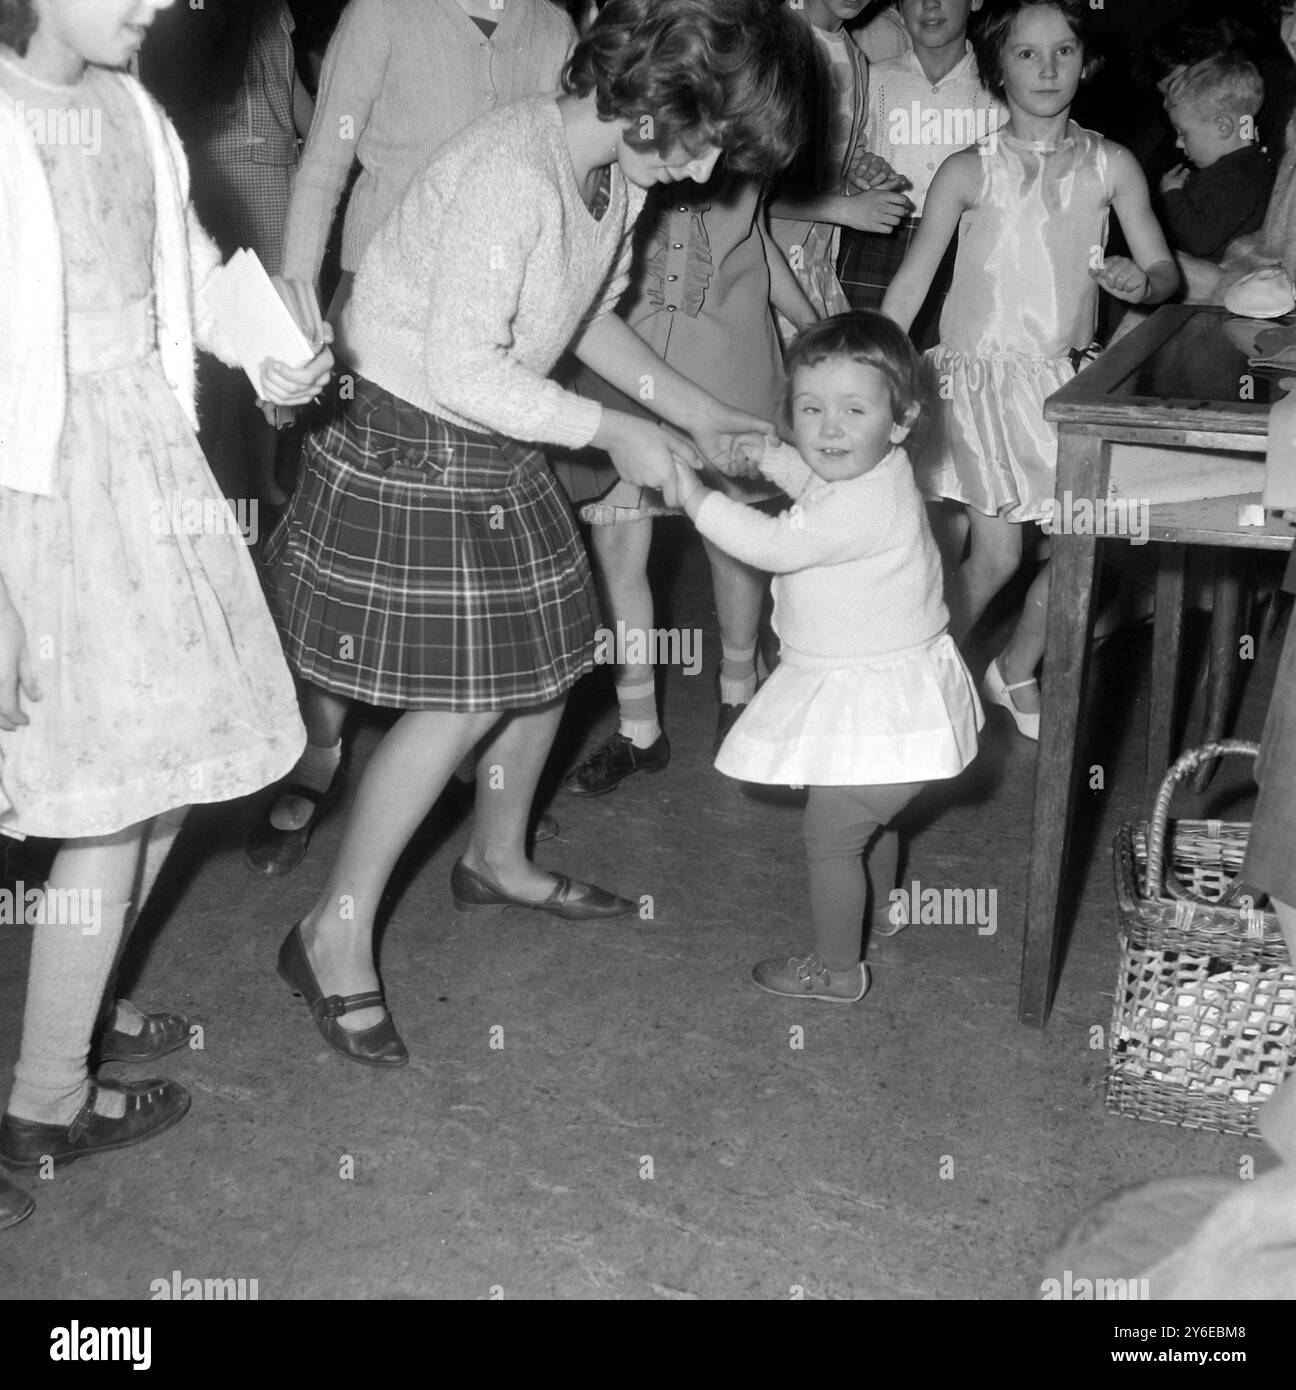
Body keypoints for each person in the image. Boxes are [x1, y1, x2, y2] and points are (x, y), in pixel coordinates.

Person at [261, 0, 808, 1066]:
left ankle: (497, 856)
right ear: (656, 104)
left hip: (487, 424)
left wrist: (694, 413)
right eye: (708, 145)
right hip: (412, 433)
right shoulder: (516, 172)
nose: (707, 175)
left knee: (553, 659)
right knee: (466, 697)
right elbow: (467, 366)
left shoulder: (609, 173)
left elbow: (585, 318)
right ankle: (328, 933)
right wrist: (620, 431)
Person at [0, 0, 333, 1229]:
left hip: (145, 464)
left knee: (172, 773)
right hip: (39, 493)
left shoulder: (130, 105)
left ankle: (75, 1003)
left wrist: (269, 354)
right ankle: (46, 1093)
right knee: (112, 795)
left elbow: (183, 268)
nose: (166, 3)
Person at [245, 0, 578, 875]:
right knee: (357, 562)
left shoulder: (551, 24)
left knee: (470, 558)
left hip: (493, 330)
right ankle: (320, 754)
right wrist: (295, 308)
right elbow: (324, 164)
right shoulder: (383, 12)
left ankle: (453, 750)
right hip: (381, 313)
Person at [881, 0, 1178, 740]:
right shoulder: (966, 169)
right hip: (978, 388)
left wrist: (1146, 283)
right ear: (998, 66)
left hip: (1062, 390)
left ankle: (1015, 668)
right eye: (1026, 54)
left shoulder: (1111, 164)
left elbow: (1162, 268)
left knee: (1089, 543)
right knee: (998, 557)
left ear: (1086, 59)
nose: (1048, 70)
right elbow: (914, 284)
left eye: (1064, 51)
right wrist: (877, 367)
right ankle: (910, 669)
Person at [670, 312, 982, 1001]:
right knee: (871, 818)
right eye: (810, 410)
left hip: (874, 696)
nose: (829, 429)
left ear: (901, 421)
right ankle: (887, 911)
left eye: (853, 410)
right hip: (889, 697)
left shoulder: (860, 509)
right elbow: (821, 481)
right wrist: (775, 457)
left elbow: (776, 545)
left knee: (833, 837)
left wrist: (696, 501)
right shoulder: (881, 473)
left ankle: (838, 971)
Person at [557, 168, 820, 794]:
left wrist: (813, 330)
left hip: (729, 364)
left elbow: (757, 241)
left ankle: (738, 695)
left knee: (732, 543)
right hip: (624, 360)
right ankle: (639, 727)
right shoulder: (632, 136)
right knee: (620, 547)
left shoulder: (753, 142)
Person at [837, 0, 1007, 352]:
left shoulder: (1002, 86)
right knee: (871, 365)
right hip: (880, 244)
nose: (930, 5)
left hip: (973, 250)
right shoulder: (871, 79)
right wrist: (858, 179)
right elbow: (839, 172)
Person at [768, 0, 907, 331]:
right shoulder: (772, 42)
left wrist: (858, 174)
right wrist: (844, 210)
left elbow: (842, 152)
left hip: (815, 270)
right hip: (765, 272)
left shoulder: (853, 54)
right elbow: (743, 192)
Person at [1159, 53, 1273, 262]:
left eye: (1183, 133)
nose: (1178, 143)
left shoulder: (1239, 179)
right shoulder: (1235, 168)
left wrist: (1172, 195)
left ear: (1223, 127)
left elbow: (1200, 241)